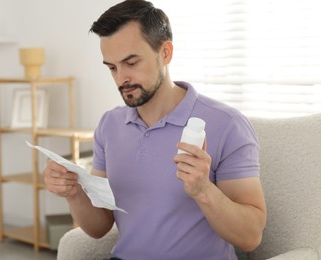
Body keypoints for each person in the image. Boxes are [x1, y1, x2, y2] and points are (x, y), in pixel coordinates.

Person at [43, 0, 267, 259]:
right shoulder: (109, 126)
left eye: (131, 62)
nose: (120, 78)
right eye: (112, 67)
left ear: (166, 53)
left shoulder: (227, 124)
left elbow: (251, 237)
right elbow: (99, 227)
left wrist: (204, 190)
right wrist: (74, 194)